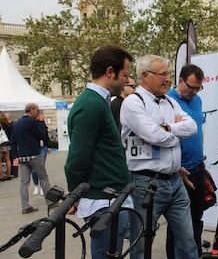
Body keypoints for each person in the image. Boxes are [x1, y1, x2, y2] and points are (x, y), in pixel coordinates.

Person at [120, 55, 198, 259]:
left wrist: (169, 127)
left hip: (175, 182)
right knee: (141, 243)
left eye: (169, 74)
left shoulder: (170, 102)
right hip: (146, 183)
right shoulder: (132, 103)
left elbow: (192, 127)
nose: (168, 79)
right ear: (145, 76)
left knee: (188, 241)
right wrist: (174, 135)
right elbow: (154, 135)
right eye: (163, 74)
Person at [64, 45, 133, 259]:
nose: (127, 81)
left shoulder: (98, 102)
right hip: (103, 202)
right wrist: (76, 194)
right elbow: (76, 159)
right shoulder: (91, 105)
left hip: (110, 198)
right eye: (125, 75)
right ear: (110, 72)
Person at [166, 64, 205, 257]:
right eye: (191, 87)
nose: (195, 92)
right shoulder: (167, 101)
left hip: (197, 168)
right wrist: (176, 166)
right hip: (179, 171)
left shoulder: (197, 101)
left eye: (198, 88)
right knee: (178, 225)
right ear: (180, 80)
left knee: (196, 219)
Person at [10, 103, 54, 214]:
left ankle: (25, 206)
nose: (38, 113)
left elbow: (13, 142)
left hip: (22, 157)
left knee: (24, 182)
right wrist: (41, 124)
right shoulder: (31, 122)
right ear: (32, 110)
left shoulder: (17, 124)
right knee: (43, 178)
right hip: (34, 154)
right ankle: (50, 202)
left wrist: (15, 156)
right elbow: (41, 135)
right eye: (37, 110)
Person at [32, 112, 51, 195]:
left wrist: (49, 146)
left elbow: (46, 135)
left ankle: (42, 187)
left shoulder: (42, 124)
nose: (42, 117)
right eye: (40, 115)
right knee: (33, 169)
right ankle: (36, 185)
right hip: (34, 148)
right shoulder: (32, 124)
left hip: (43, 147)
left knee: (41, 166)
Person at [0, 112, 12, 181]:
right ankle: (8, 175)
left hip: (1, 144)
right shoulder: (7, 123)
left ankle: (1, 176)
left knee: (0, 161)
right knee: (8, 160)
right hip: (7, 143)